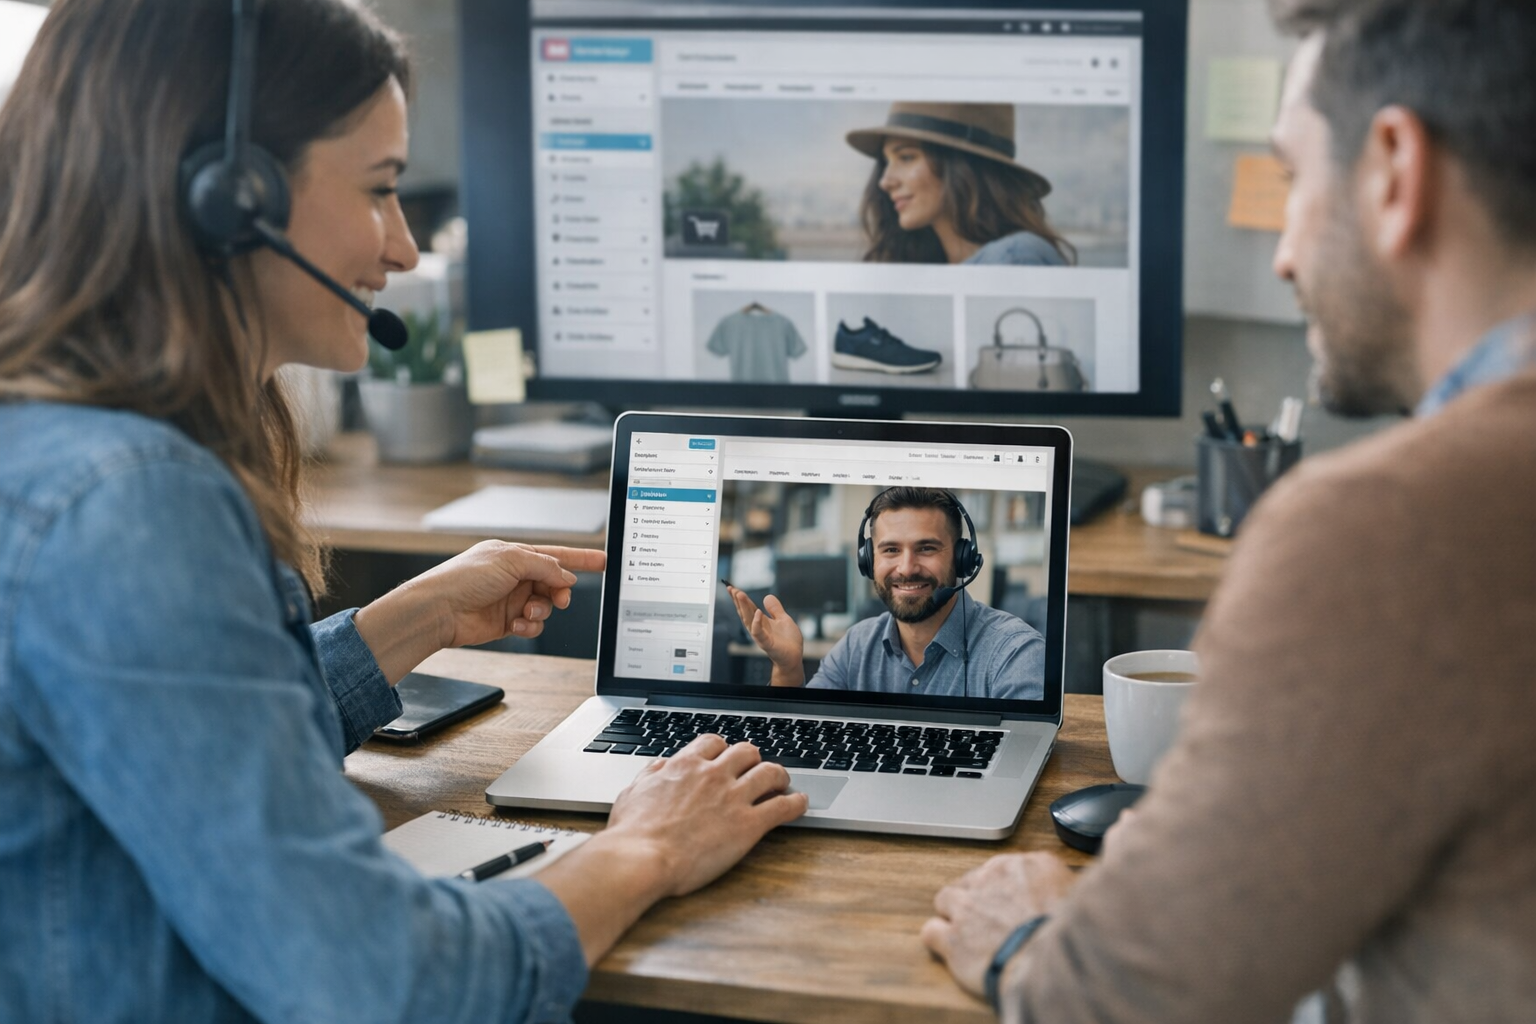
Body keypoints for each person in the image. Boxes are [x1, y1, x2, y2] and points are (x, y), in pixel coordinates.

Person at [0, 2, 806, 1022]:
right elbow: (380, 979)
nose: (407, 247)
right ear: (227, 198)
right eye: (381, 189)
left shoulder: (54, 444)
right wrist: (647, 845)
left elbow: (178, 752)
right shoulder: (132, 506)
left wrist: (406, 622)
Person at [920, 1, 1536, 1021]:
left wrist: (1028, 939)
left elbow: (1114, 1004)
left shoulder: (1383, 528)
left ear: (1393, 169)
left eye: (1294, 180)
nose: (1286, 251)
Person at [728, 488, 1045, 700]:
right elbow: (799, 740)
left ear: (962, 558)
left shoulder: (1015, 654)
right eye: (891, 550)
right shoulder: (856, 646)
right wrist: (787, 669)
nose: (906, 568)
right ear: (869, 560)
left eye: (926, 548)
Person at [846, 101, 1076, 266]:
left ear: (962, 167)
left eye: (907, 157)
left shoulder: (1016, 257)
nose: (885, 182)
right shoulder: (939, 265)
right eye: (886, 161)